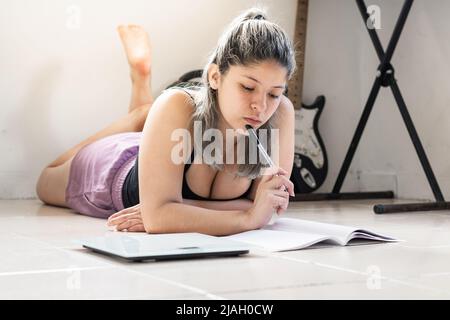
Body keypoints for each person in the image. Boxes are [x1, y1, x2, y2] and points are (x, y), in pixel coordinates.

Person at [35, 7, 296, 236]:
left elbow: (268, 205)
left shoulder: (280, 112)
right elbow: (159, 219)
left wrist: (176, 210)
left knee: (155, 124)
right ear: (215, 76)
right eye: (248, 87)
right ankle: (142, 101)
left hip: (159, 156)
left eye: (274, 93)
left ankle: (143, 113)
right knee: (45, 182)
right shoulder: (177, 104)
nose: (261, 107)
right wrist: (247, 217)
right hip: (112, 171)